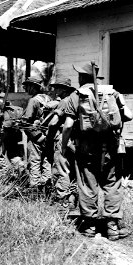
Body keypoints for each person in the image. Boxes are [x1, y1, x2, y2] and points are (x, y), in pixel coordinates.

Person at [58, 61, 133, 240]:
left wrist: (63, 145)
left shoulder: (76, 96)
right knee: (112, 185)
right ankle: (112, 227)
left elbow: (68, 125)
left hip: (86, 149)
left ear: (82, 77)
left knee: (87, 184)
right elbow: (128, 116)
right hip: (111, 149)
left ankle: (90, 227)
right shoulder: (112, 92)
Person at [45, 76, 78, 210]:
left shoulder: (64, 101)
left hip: (62, 138)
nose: (55, 90)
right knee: (72, 170)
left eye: (57, 87)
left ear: (64, 90)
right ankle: (72, 198)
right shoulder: (74, 100)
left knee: (61, 170)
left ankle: (62, 200)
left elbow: (54, 123)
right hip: (74, 140)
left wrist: (48, 129)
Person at [22, 76, 52, 188]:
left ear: (33, 87)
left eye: (27, 86)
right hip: (48, 135)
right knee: (46, 160)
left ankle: (35, 188)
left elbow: (27, 119)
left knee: (35, 161)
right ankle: (47, 184)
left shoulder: (33, 100)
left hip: (36, 136)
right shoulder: (48, 98)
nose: (25, 89)